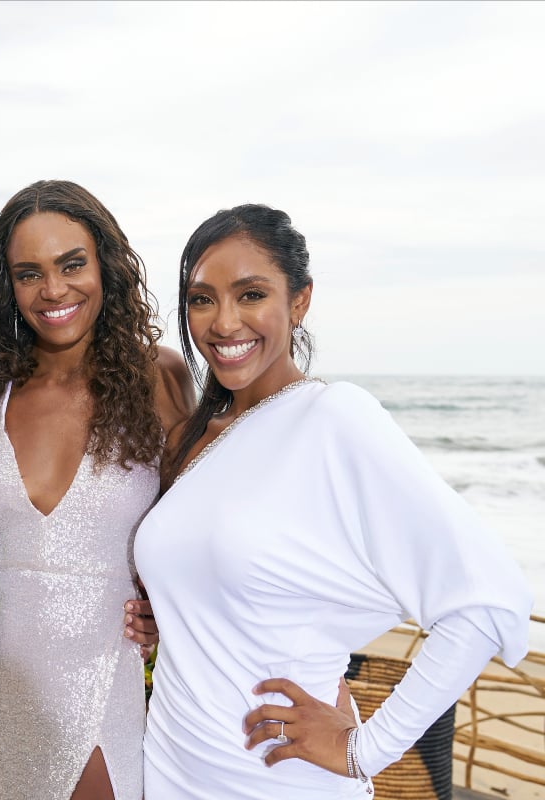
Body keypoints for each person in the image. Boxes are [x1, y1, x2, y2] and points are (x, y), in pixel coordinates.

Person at [132, 203, 532, 797]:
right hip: (169, 766)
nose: (223, 322)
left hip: (273, 780)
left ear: (299, 302)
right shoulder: (202, 434)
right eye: (202, 299)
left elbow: (488, 602)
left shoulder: (334, 418)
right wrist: (174, 613)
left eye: (251, 294)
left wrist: (362, 749)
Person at [0, 180, 193, 800]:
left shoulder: (157, 378)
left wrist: (168, 610)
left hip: (103, 671)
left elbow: (190, 535)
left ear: (105, 266)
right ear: (8, 288)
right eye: (29, 273)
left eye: (71, 264)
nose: (53, 290)